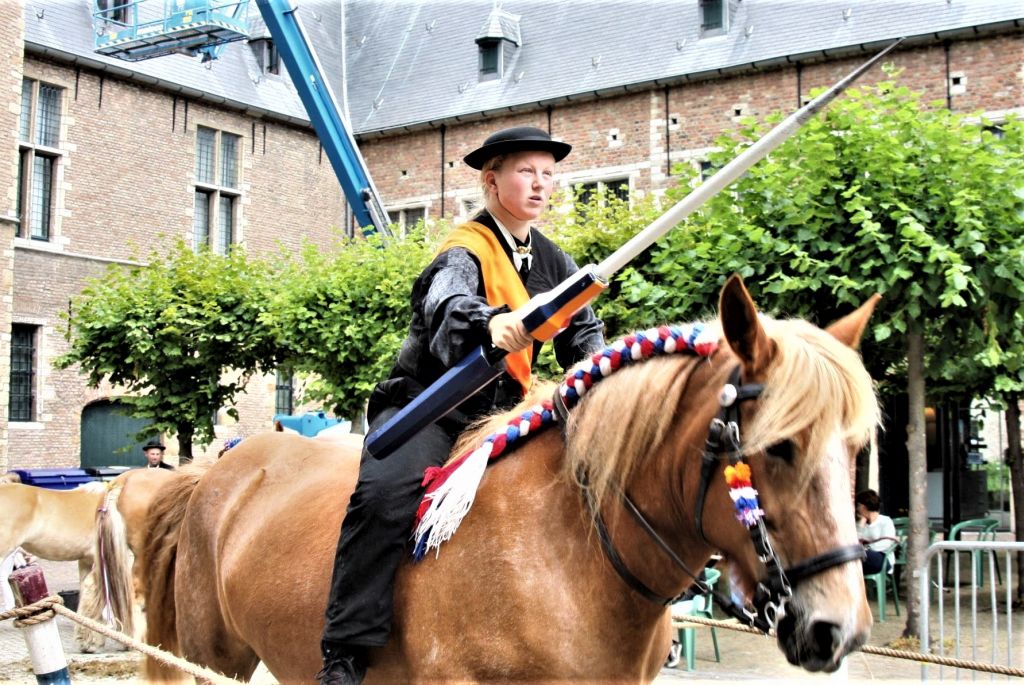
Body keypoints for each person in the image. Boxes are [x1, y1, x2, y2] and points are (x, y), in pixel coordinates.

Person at [317, 126, 605, 685]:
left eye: (548, 174)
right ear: (492, 180)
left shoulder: (555, 261)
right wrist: (491, 322)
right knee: (383, 496)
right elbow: (447, 307)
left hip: (504, 416)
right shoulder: (463, 248)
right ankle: (345, 651)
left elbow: (584, 338)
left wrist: (602, 376)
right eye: (527, 172)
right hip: (433, 409)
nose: (541, 184)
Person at [855, 489, 897, 575]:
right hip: (864, 558)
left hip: (883, 558)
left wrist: (866, 548)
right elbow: (854, 541)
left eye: (858, 506)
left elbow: (886, 543)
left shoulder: (885, 521)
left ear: (863, 506)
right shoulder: (860, 523)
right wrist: (860, 526)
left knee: (860, 556)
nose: (857, 509)